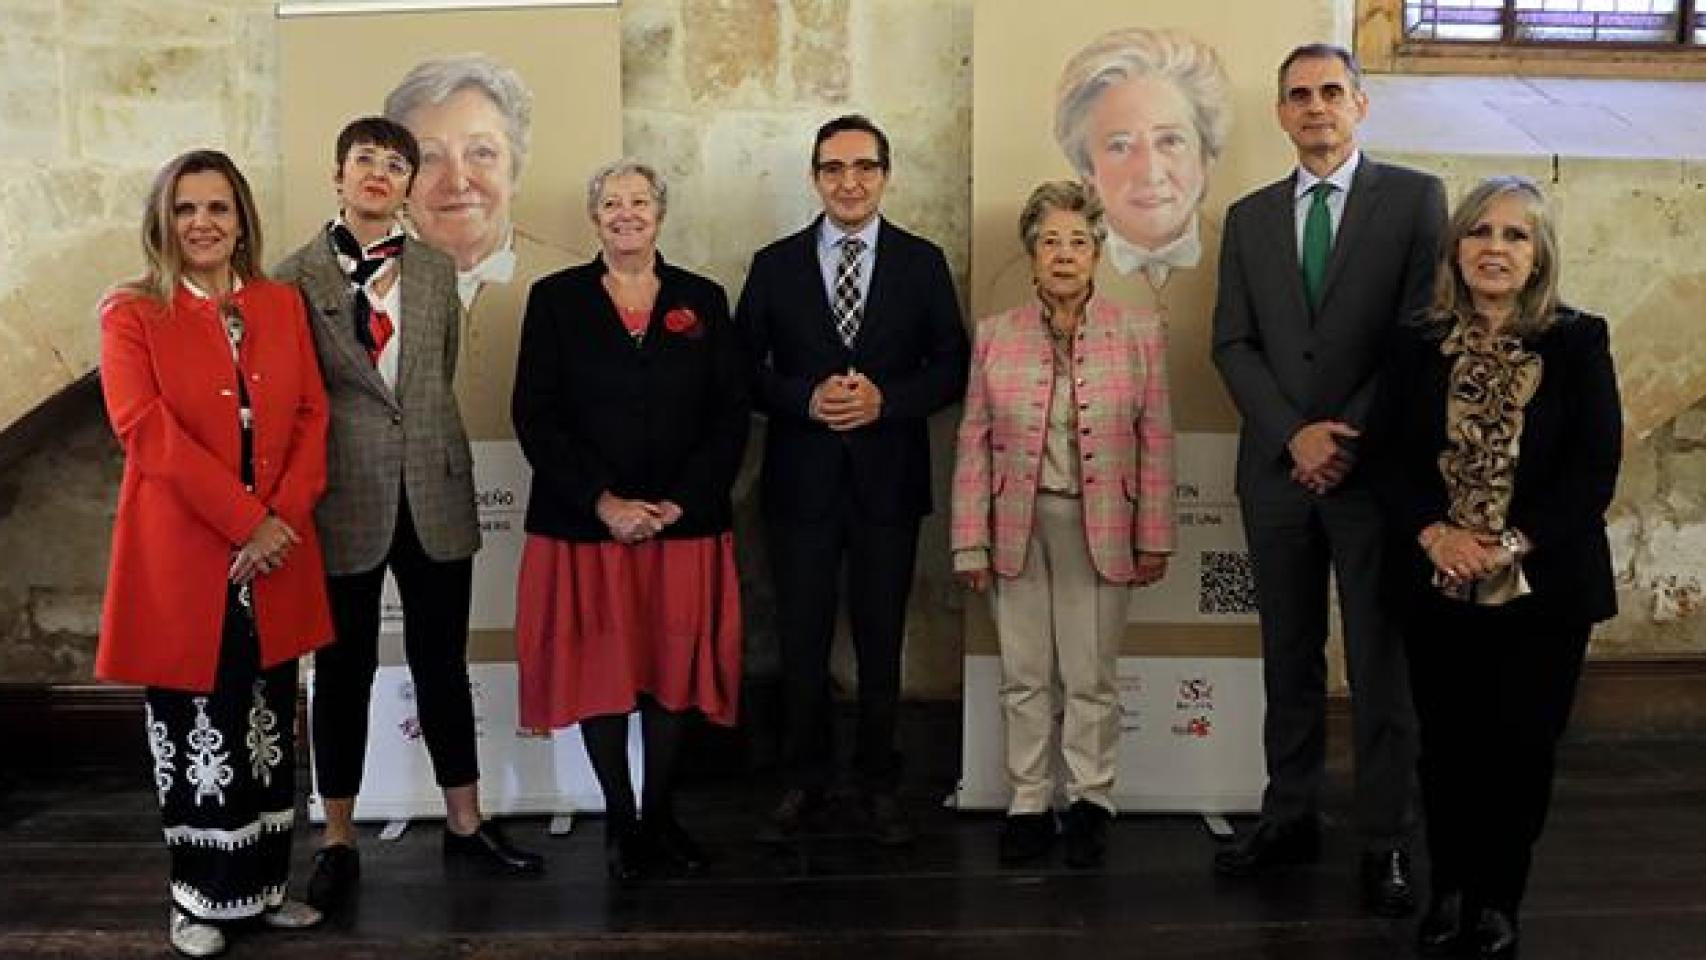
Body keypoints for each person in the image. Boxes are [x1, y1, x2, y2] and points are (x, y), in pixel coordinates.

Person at [274, 116, 543, 914]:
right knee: (344, 674)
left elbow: (433, 381)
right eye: (365, 160)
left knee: (441, 665)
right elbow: (298, 398)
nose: (379, 175)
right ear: (338, 174)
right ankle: (338, 838)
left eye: (396, 164)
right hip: (345, 500)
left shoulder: (434, 268)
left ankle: (467, 823)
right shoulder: (294, 277)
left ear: (406, 185)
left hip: (434, 489)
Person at [1209, 44, 1447, 916]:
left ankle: (1385, 839)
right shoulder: (1248, 216)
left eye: (1331, 93)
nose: (1316, 108)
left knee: (1383, 667)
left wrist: (1345, 434)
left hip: (1374, 473)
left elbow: (1420, 331)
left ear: (1361, 104)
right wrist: (1294, 434)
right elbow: (1231, 342)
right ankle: (1290, 815)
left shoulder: (1415, 199)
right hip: (1276, 473)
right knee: (1289, 656)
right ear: (1280, 113)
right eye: (1299, 96)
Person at [1371, 176, 1622, 960]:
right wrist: (1435, 536)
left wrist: (1507, 546)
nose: (1495, 248)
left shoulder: (1579, 341)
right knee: (1446, 745)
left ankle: (1498, 899)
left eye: (1516, 235)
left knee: (1520, 748)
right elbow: (1386, 456)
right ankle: (1447, 890)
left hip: (1543, 586)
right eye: (1480, 232)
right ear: (1456, 247)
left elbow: (1593, 471)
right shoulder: (1416, 339)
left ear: (1540, 253)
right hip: (1436, 577)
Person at [97, 148, 330, 957]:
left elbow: (310, 415)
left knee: (267, 722)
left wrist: (281, 521)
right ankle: (196, 902)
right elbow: (145, 432)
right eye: (187, 209)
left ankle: (264, 892)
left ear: (242, 222)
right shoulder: (130, 313)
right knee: (198, 732)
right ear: (164, 220)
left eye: (218, 209)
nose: (202, 223)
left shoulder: (281, 302)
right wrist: (246, 522)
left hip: (276, 554)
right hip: (185, 559)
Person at [511, 159, 749, 883]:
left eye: (638, 201)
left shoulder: (702, 298)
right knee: (605, 670)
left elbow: (730, 415)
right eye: (610, 202)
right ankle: (621, 820)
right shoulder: (554, 299)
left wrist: (679, 502)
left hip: (682, 524)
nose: (625, 213)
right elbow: (535, 414)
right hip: (589, 528)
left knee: (671, 668)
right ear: (594, 217)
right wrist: (604, 502)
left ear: (660, 213)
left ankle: (661, 814)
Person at [739, 114, 969, 846]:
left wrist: (887, 401)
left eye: (864, 166)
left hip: (888, 483)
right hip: (799, 485)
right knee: (801, 641)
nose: (849, 181)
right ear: (815, 177)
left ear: (885, 175)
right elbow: (740, 369)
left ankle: (877, 781)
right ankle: (804, 780)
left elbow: (952, 365)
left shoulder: (922, 261)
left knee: (880, 639)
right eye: (833, 168)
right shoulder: (774, 264)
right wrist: (803, 398)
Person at [949, 180, 1174, 869]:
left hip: (1102, 524)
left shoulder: (1138, 333)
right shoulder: (995, 335)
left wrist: (1155, 534)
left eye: (1079, 241)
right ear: (1031, 254)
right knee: (1023, 672)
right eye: (1051, 241)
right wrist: (970, 538)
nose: (1065, 254)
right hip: (1017, 521)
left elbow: (1157, 439)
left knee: (1090, 673)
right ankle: (1026, 801)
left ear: (1099, 253)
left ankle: (1090, 800)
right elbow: (974, 440)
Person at [384, 54, 584, 439]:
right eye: (429, 157)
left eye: (481, 153)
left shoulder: (576, 284)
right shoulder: (368, 290)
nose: (457, 181)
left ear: (516, 170)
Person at [1054, 27, 1231, 284]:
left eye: (1170, 141)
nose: (1150, 173)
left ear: (1206, 156)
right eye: (1120, 146)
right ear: (1087, 169)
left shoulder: (1251, 260)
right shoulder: (1026, 279)